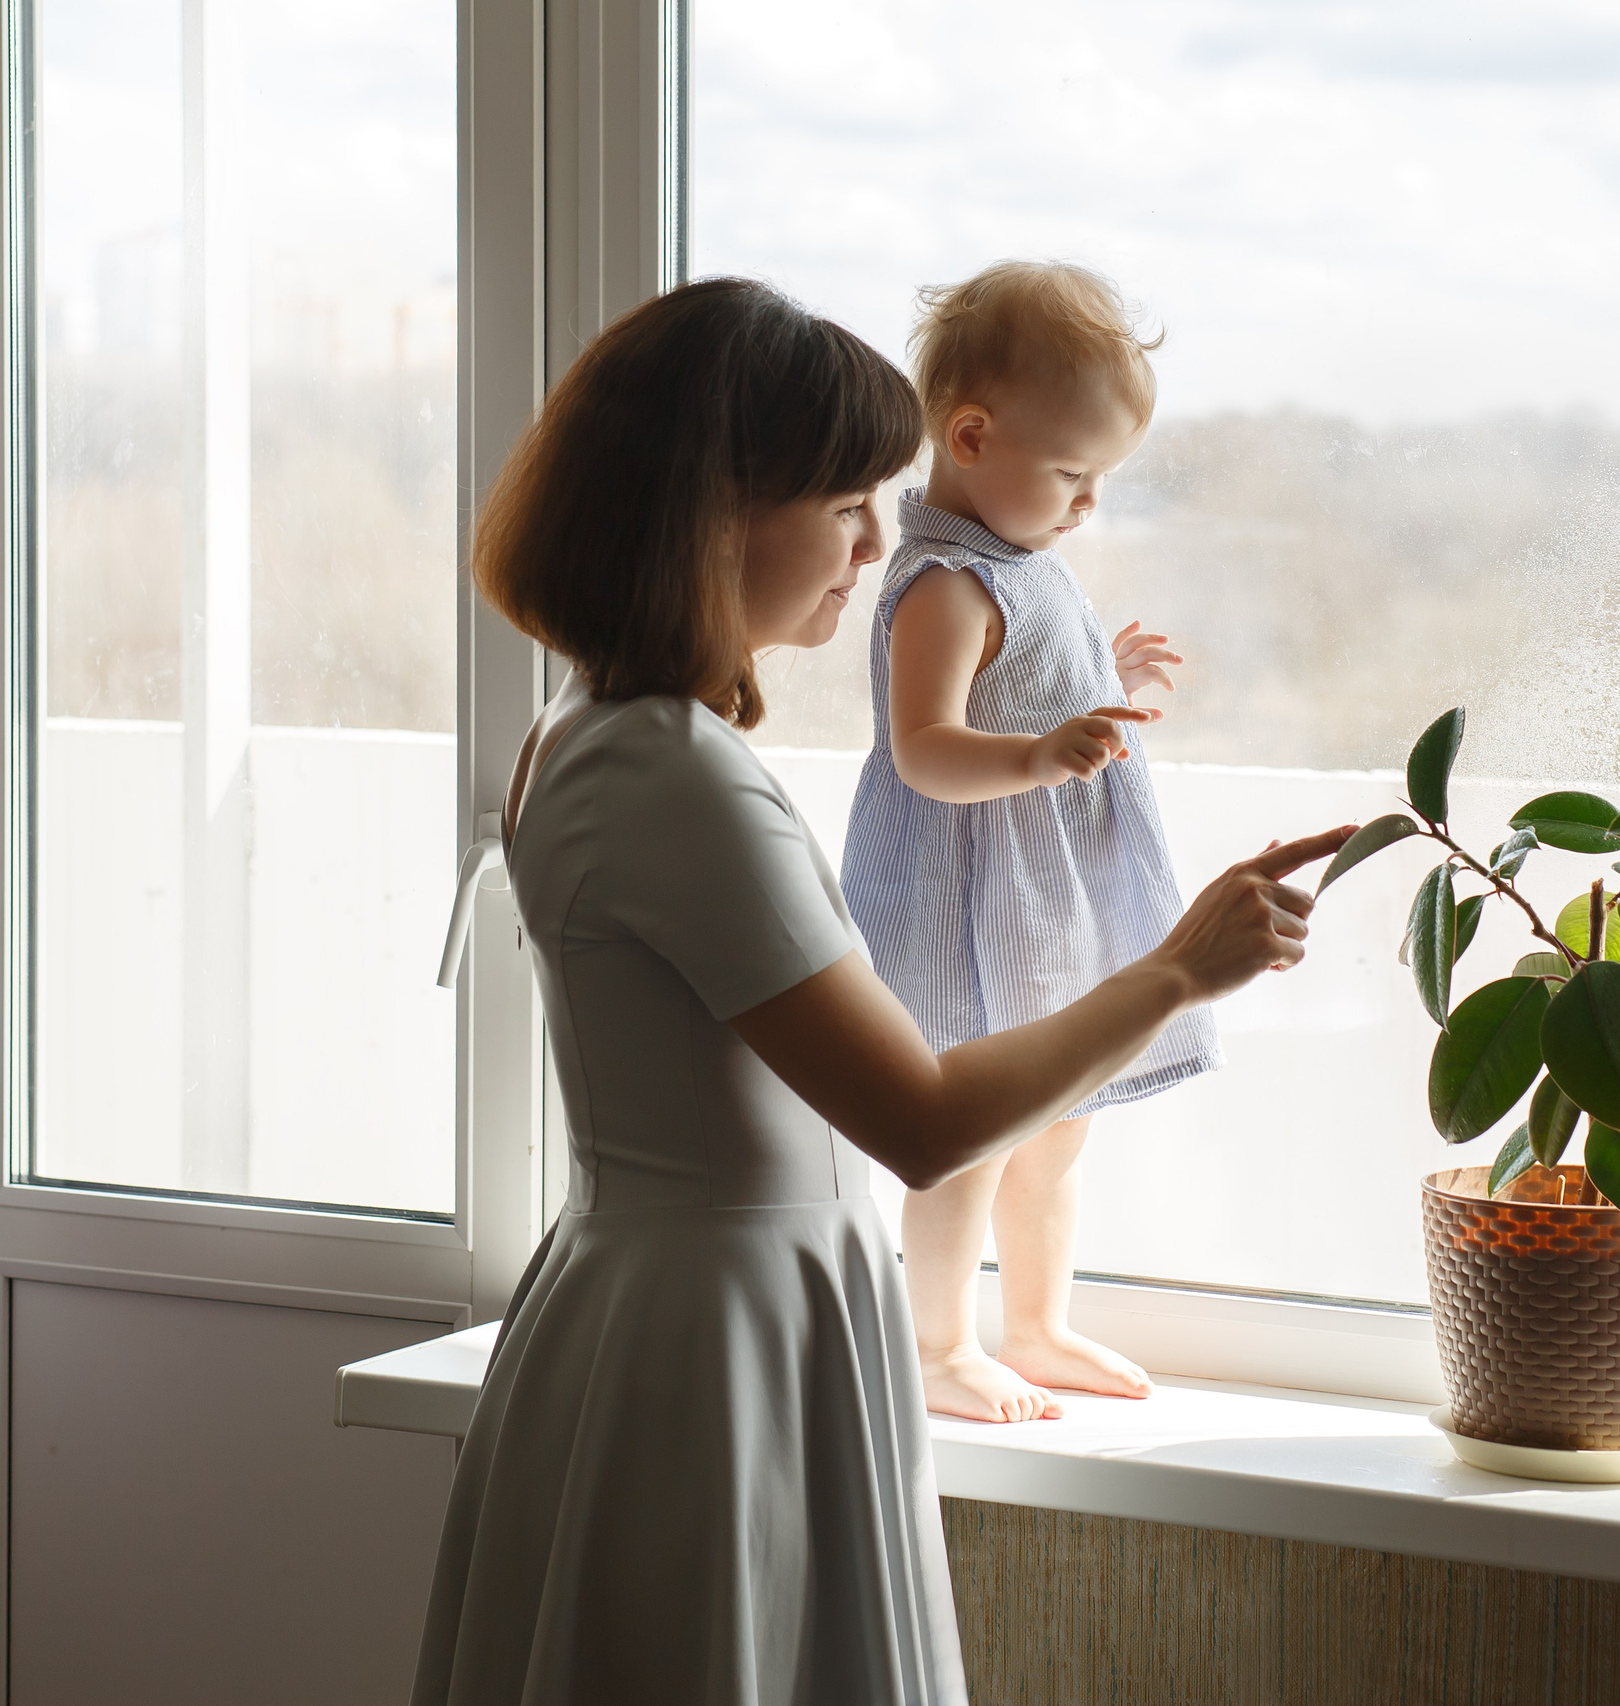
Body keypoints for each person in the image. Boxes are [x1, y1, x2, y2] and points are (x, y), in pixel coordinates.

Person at [407, 277, 1352, 1706]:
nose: (873, 543)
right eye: (845, 500)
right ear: (713, 506)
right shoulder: (672, 774)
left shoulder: (584, 725)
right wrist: (1174, 967)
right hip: (714, 1334)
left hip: (681, 1303)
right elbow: (921, 1116)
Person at [841, 261, 1205, 1423]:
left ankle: (1036, 1320)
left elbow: (1037, 683)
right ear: (971, 434)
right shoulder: (946, 581)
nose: (1088, 502)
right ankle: (939, 1340)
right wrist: (1045, 754)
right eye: (1070, 472)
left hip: (1052, 901)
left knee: (1057, 1126)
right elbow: (923, 747)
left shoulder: (1026, 560)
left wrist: (1111, 678)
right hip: (967, 897)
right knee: (969, 1134)